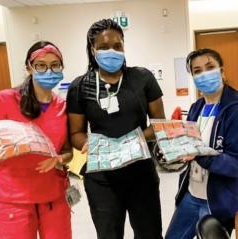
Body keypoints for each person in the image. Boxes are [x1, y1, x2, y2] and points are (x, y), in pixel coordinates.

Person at [67, 19, 165, 239]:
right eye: (103, 47)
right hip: (102, 180)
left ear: (123, 46)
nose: (111, 51)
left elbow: (160, 124)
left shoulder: (142, 78)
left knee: (149, 234)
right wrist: (92, 145)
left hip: (141, 175)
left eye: (117, 45)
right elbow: (75, 133)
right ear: (92, 50)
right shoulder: (80, 87)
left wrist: (132, 142)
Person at [0, 41, 73, 239]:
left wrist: (59, 160)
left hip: (54, 196)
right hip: (14, 198)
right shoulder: (6, 99)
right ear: (28, 68)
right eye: (41, 65)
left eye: (55, 65)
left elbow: (67, 151)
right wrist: (9, 144)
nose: (49, 70)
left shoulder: (63, 106)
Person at [165, 48, 238, 239]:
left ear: (222, 72)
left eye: (210, 67)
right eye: (197, 71)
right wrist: (173, 152)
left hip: (218, 200)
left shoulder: (237, 113)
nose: (204, 74)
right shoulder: (196, 108)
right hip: (190, 194)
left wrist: (201, 155)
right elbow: (189, 148)